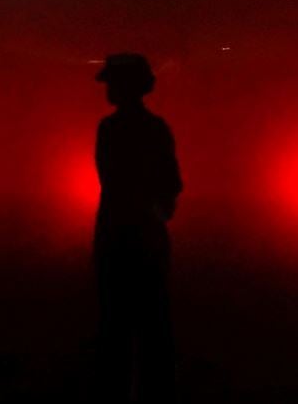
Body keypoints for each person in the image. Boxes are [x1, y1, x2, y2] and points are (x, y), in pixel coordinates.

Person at [93, 53, 183, 403]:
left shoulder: (110, 129)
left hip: (118, 233)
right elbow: (171, 182)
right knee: (151, 323)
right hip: (143, 234)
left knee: (115, 324)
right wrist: (158, 215)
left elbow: (112, 181)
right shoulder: (155, 128)